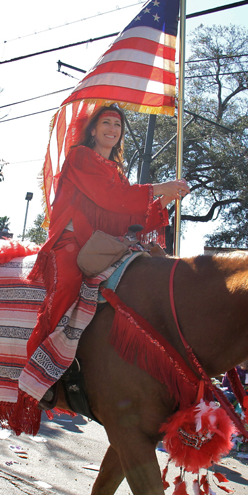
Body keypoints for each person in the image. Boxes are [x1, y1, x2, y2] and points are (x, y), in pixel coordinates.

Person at [26, 104, 189, 364]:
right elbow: (112, 197)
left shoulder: (116, 171)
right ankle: (37, 363)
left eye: (118, 125)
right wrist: (159, 187)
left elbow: (128, 220)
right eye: (106, 123)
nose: (113, 129)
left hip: (103, 244)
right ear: (92, 130)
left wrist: (166, 199)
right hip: (72, 241)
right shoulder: (80, 156)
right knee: (65, 291)